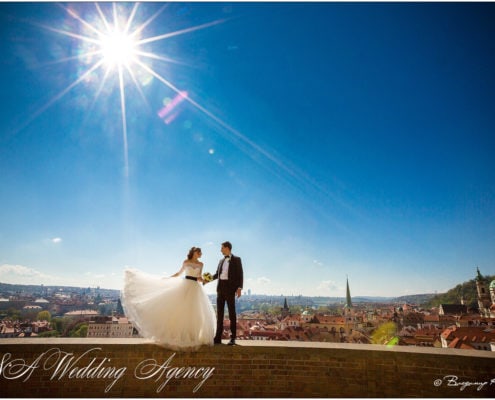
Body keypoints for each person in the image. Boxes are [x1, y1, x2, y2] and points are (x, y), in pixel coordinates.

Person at [121, 247, 216, 351]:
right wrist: (169, 278)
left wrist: (206, 280)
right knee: (180, 311)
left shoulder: (201, 264)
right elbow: (179, 273)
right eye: (199, 252)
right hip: (184, 286)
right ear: (194, 253)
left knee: (193, 312)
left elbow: (199, 277)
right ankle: (179, 335)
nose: (200, 254)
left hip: (195, 289)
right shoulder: (186, 262)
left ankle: (191, 336)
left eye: (200, 253)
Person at [211, 241, 243, 345]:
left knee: (231, 314)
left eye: (222, 248)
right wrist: (207, 279)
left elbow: (240, 275)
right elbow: (217, 274)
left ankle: (233, 338)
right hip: (220, 289)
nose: (220, 250)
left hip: (230, 289)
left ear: (227, 248)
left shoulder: (237, 259)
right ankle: (217, 338)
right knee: (219, 314)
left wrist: (239, 288)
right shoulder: (221, 261)